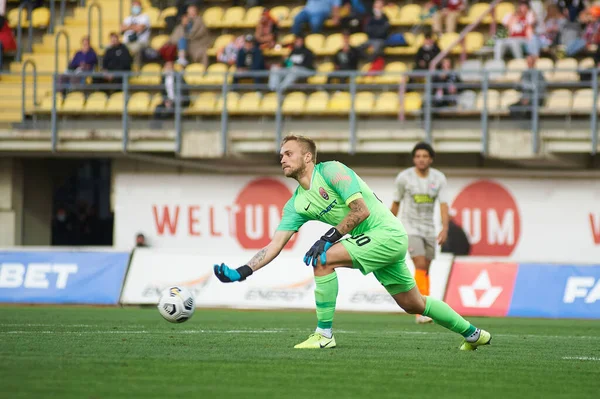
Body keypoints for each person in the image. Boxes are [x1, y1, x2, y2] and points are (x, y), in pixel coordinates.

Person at [214, 135, 491, 351]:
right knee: (413, 304)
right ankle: (474, 334)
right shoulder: (296, 203)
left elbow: (361, 210)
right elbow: (274, 245)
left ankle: (324, 335)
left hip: (388, 233)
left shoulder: (332, 170)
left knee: (323, 258)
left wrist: (327, 238)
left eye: (288, 153)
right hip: (375, 242)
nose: (282, 159)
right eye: (281, 155)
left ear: (307, 157)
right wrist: (242, 272)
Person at [390, 142, 449, 324]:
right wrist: (388, 226)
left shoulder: (439, 178)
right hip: (410, 228)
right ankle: (421, 311)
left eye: (425, 156)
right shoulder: (404, 178)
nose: (421, 159)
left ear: (430, 159)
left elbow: (443, 204)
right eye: (418, 156)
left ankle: (424, 304)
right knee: (420, 264)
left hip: (429, 229)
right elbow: (396, 203)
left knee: (426, 269)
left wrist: (444, 228)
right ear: (414, 159)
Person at [121, 0, 151, 64]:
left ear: (140, 7)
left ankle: (136, 68)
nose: (135, 8)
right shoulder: (128, 18)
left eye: (137, 6)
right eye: (134, 6)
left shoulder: (144, 17)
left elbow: (140, 28)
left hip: (140, 42)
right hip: (127, 42)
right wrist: (135, 26)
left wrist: (128, 27)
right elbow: (122, 28)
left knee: (136, 49)